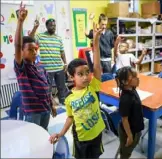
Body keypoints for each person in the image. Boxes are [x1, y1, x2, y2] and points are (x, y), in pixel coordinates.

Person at [49, 23, 105, 159]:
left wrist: (96, 42)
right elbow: (70, 117)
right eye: (80, 74)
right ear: (71, 76)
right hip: (81, 139)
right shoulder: (68, 97)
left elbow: (96, 66)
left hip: (97, 135)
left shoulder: (93, 87)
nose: (86, 77)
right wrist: (60, 134)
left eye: (87, 72)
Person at [14, 2, 56, 130]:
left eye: (35, 49)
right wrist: (20, 22)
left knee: (44, 133)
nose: (34, 52)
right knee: (33, 136)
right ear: (22, 52)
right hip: (33, 112)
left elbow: (46, 86)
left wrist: (52, 103)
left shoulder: (40, 65)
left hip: (45, 108)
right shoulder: (22, 68)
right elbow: (18, 45)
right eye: (30, 50)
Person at [29, 17, 67, 105]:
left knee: (62, 88)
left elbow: (62, 51)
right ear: (46, 26)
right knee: (47, 89)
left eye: (54, 26)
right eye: (51, 26)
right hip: (46, 69)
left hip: (59, 68)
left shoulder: (58, 38)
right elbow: (30, 39)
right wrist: (35, 28)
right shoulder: (40, 36)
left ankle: (64, 104)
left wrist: (65, 63)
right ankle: (48, 106)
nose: (53, 27)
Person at [115, 66, 144, 159]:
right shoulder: (125, 99)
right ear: (125, 82)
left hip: (135, 129)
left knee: (126, 150)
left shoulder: (132, 89)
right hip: (129, 132)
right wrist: (130, 136)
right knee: (125, 155)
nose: (138, 78)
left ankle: (122, 150)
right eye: (134, 77)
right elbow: (124, 120)